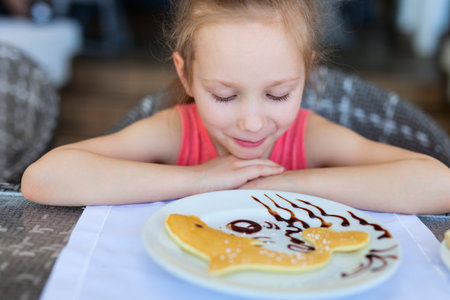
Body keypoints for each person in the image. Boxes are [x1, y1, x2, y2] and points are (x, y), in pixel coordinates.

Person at [21, 0, 450, 213]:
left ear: (307, 75)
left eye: (278, 94)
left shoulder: (309, 136)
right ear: (186, 75)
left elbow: (439, 184)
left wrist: (280, 185)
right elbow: (43, 179)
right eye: (224, 96)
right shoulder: (176, 132)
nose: (251, 122)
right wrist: (197, 179)